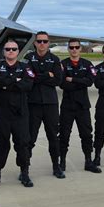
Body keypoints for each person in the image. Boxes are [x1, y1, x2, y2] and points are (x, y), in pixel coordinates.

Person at [0, 40, 34, 187]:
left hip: (20, 114)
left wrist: (6, 84)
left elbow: (28, 84)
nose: (11, 51)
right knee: (1, 143)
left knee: (23, 144)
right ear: (3, 51)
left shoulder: (25, 67)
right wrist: (15, 81)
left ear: (18, 51)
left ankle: (25, 173)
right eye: (7, 49)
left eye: (14, 49)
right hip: (2, 113)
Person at [24, 31, 65, 179]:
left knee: (53, 137)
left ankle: (56, 166)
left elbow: (58, 81)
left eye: (45, 41)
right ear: (35, 43)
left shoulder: (55, 59)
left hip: (50, 104)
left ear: (49, 43)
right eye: (39, 41)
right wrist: (48, 75)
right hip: (33, 104)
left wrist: (38, 76)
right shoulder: (28, 58)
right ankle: (25, 170)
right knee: (30, 138)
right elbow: (28, 80)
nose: (42, 44)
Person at [59, 39, 101, 173]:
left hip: (82, 106)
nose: (74, 49)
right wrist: (80, 82)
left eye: (77, 47)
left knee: (87, 135)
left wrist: (72, 79)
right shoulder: (63, 64)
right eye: (71, 47)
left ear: (80, 49)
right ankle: (62, 162)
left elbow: (89, 82)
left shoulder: (87, 64)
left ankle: (88, 161)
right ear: (68, 49)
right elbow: (61, 83)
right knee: (64, 135)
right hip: (67, 106)